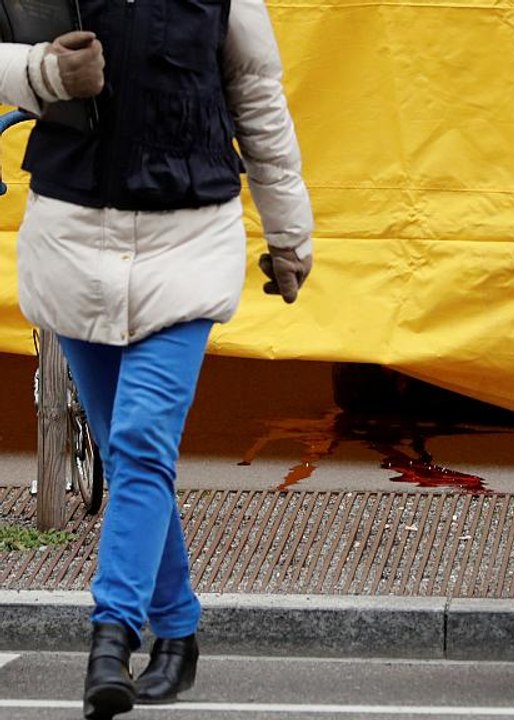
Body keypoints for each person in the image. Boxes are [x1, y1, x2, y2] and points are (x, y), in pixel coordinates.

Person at [0, 0, 313, 717]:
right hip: (73, 245)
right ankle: (177, 629)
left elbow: (259, 102)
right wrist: (42, 72)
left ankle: (110, 636)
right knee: (126, 448)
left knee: (142, 443)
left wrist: (290, 235)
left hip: (189, 248)